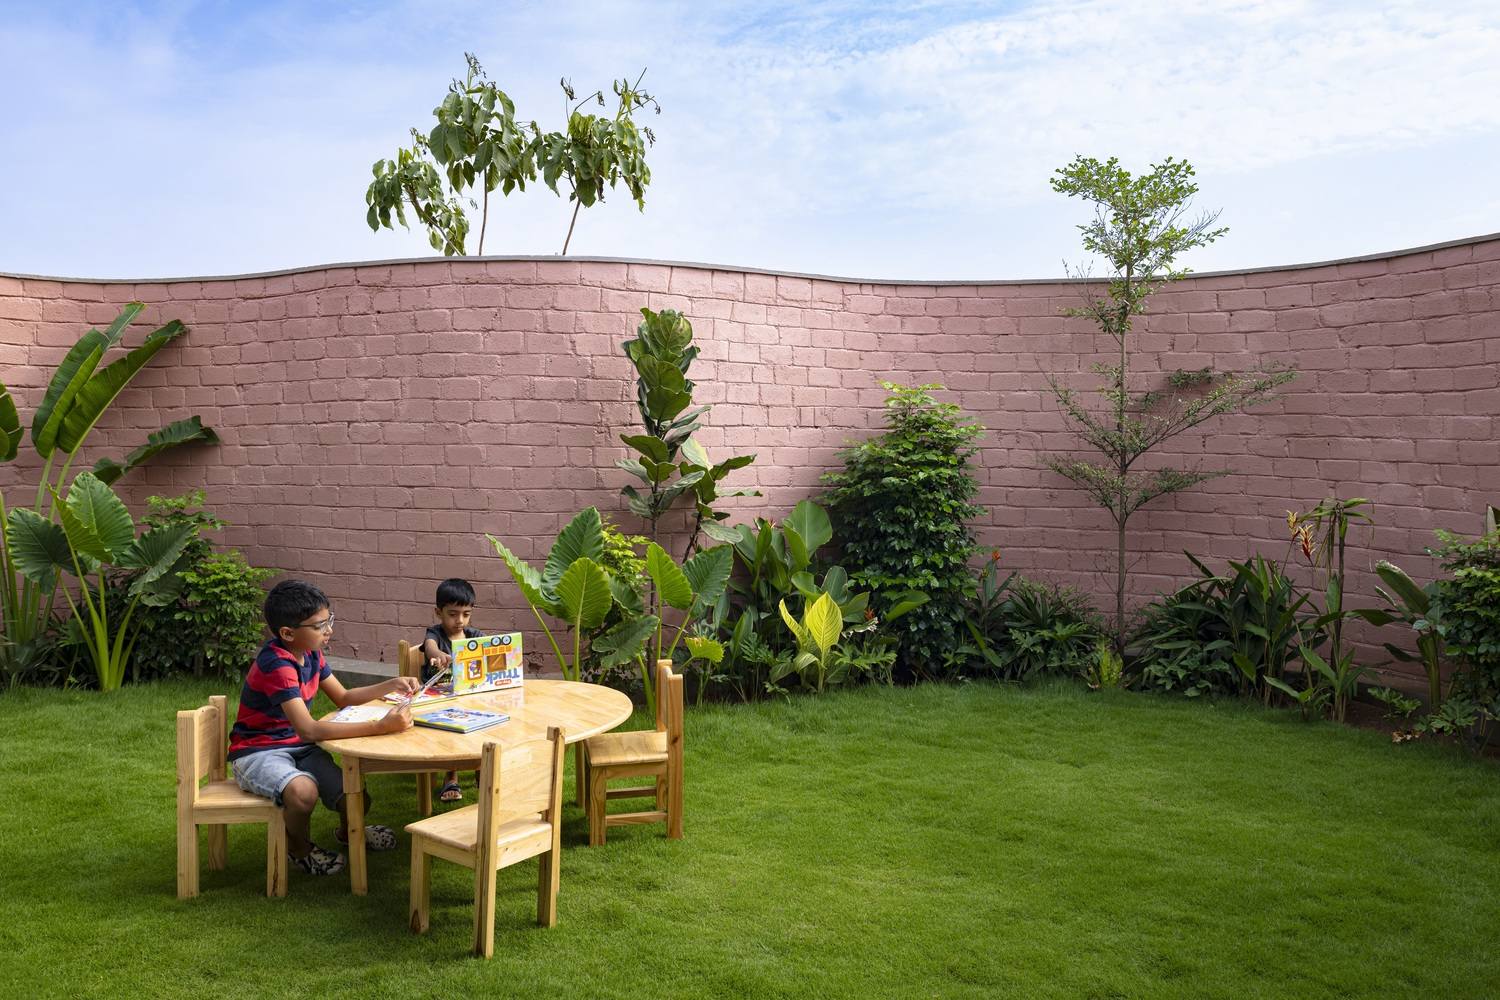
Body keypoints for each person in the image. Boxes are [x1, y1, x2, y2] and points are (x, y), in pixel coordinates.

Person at [228, 579, 419, 876]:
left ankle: (349, 833)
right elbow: (309, 730)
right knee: (303, 792)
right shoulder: (277, 665)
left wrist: (391, 684)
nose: (329, 630)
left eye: (329, 620)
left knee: (356, 795)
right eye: (319, 625)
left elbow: (343, 697)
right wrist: (380, 726)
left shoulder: (311, 653)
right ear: (288, 633)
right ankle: (299, 850)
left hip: (297, 746)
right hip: (258, 752)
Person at [418, 577, 483, 803]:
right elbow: (430, 647)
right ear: (439, 612)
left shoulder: (475, 636)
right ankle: (451, 775)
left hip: (469, 695)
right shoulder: (435, 634)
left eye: (466, 614)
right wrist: (437, 655)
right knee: (451, 728)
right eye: (453, 614)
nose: (460, 620)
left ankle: (481, 769)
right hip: (439, 699)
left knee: (484, 720)